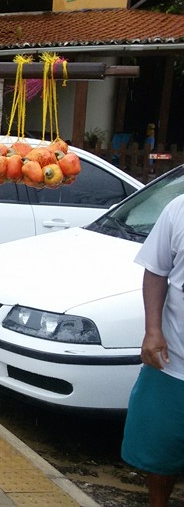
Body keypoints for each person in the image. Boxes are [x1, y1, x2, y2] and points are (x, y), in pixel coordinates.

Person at [123, 194, 184, 507]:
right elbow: (157, 271)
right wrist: (153, 330)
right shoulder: (179, 208)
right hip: (174, 363)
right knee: (158, 454)